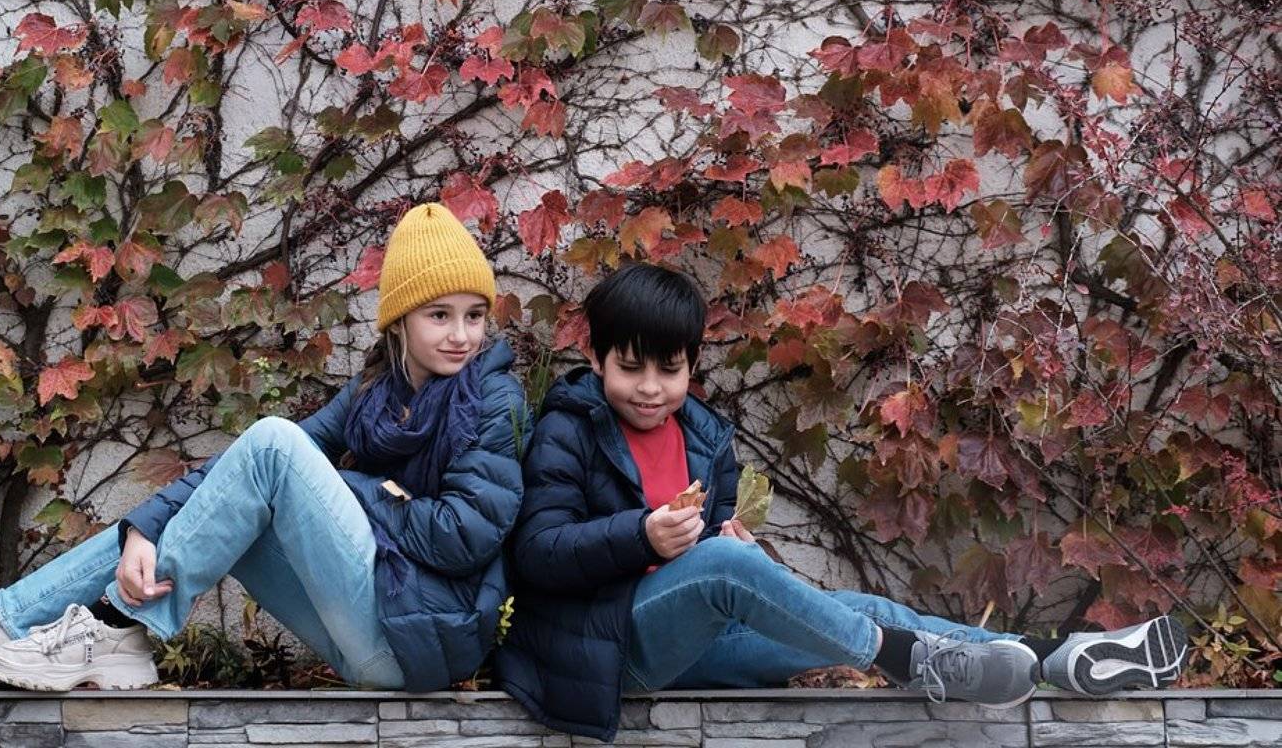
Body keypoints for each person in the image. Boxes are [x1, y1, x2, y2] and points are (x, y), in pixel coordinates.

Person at [495, 262, 1190, 743]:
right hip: (607, 653)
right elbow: (537, 555)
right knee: (737, 575)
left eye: (668, 369)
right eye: (630, 367)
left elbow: (710, 565)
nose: (650, 387)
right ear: (597, 361)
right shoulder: (569, 430)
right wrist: (644, 537)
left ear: (693, 364)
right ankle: (901, 656)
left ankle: (1058, 656)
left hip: (697, 646)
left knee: (862, 606)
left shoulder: (706, 440)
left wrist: (738, 552)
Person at [0, 202, 526, 693]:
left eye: (474, 314)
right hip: (363, 629)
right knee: (249, 472)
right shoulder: (373, 395)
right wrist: (145, 527)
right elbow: (240, 471)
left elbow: (462, 536)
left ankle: (117, 627)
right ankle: (7, 618)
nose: (461, 335)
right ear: (400, 320)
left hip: (421, 646)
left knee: (275, 443)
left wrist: (352, 489)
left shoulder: (493, 399)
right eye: (439, 315)